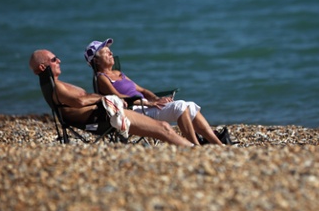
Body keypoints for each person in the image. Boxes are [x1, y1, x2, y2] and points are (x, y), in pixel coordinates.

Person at [29, 49, 196, 147]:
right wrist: (104, 98)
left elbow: (83, 99)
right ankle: (194, 150)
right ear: (43, 66)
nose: (59, 60)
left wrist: (100, 98)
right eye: (53, 59)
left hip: (103, 114)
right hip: (102, 117)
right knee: (164, 128)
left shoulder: (56, 85)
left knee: (163, 128)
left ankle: (192, 147)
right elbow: (79, 101)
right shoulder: (57, 86)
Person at [85, 39, 224, 146]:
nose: (111, 53)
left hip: (146, 106)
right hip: (133, 111)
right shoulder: (101, 78)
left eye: (110, 51)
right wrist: (149, 102)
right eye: (106, 52)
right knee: (181, 106)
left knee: (191, 105)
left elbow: (142, 90)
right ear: (96, 61)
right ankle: (196, 147)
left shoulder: (119, 74)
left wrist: (156, 99)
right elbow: (118, 97)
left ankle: (218, 145)